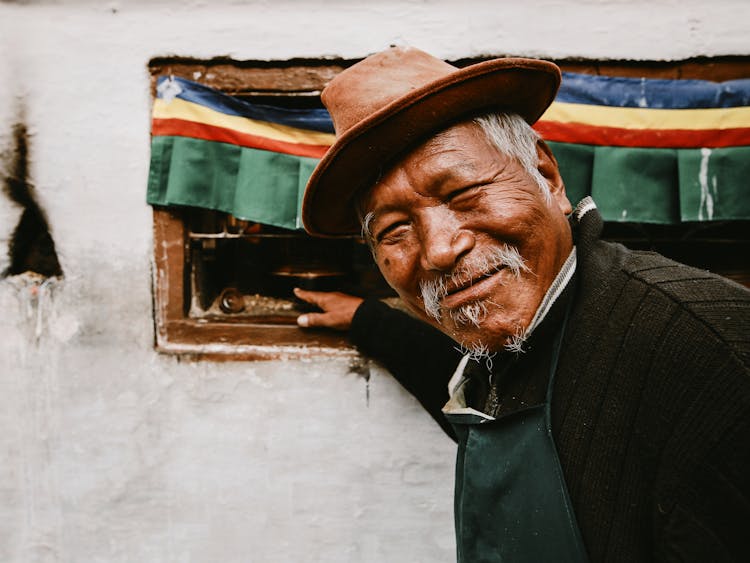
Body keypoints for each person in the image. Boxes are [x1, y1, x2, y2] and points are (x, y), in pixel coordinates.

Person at [295, 46, 750, 562]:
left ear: (547, 177)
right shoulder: (519, 342)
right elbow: (495, 391)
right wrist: (365, 319)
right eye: (394, 231)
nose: (440, 250)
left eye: (465, 193)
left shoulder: (711, 352)